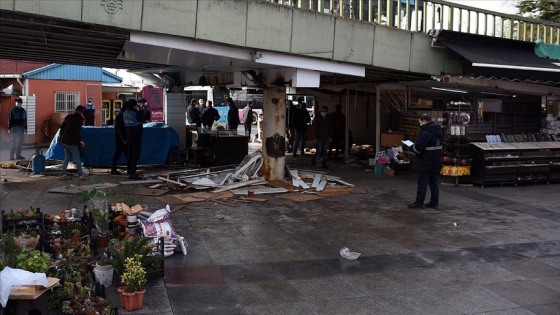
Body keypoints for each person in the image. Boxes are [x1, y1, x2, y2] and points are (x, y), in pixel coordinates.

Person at [407, 114, 443, 209]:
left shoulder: (425, 133)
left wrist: (410, 147)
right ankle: (434, 202)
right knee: (434, 183)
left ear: (423, 121)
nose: (420, 125)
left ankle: (419, 203)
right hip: (435, 161)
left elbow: (418, 149)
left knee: (422, 183)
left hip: (425, 162)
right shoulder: (438, 132)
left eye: (420, 122)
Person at [59, 105, 87, 180]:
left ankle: (62, 174)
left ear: (75, 110)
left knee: (67, 158)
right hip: (72, 142)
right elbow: (76, 131)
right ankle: (81, 175)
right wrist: (80, 141)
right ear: (82, 112)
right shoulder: (79, 119)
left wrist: (61, 135)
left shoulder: (68, 117)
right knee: (77, 158)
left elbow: (62, 127)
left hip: (64, 141)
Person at [123, 99, 147, 180]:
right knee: (135, 154)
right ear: (135, 105)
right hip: (136, 134)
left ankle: (129, 171)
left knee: (130, 153)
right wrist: (141, 110)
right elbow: (143, 119)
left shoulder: (125, 112)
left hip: (128, 133)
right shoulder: (136, 113)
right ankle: (132, 173)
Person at [111, 101, 129, 175]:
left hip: (120, 138)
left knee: (121, 153)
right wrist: (124, 139)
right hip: (121, 139)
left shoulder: (121, 114)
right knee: (123, 153)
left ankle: (114, 169)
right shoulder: (121, 115)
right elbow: (121, 128)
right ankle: (114, 169)